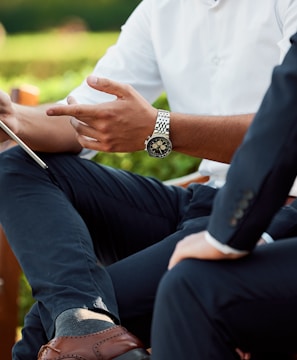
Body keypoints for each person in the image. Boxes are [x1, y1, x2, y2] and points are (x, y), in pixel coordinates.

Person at [0, 0, 297, 359]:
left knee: (39, 335)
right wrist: (13, 119)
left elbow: (286, 126)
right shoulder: (160, 8)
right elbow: (83, 115)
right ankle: (85, 319)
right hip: (201, 201)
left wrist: (161, 128)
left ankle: (84, 323)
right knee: (15, 164)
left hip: (272, 209)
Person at [150, 31, 297, 359]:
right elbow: (84, 106)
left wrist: (227, 235)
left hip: (253, 214)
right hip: (205, 202)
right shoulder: (157, 12)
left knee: (190, 288)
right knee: (61, 311)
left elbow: (288, 113)